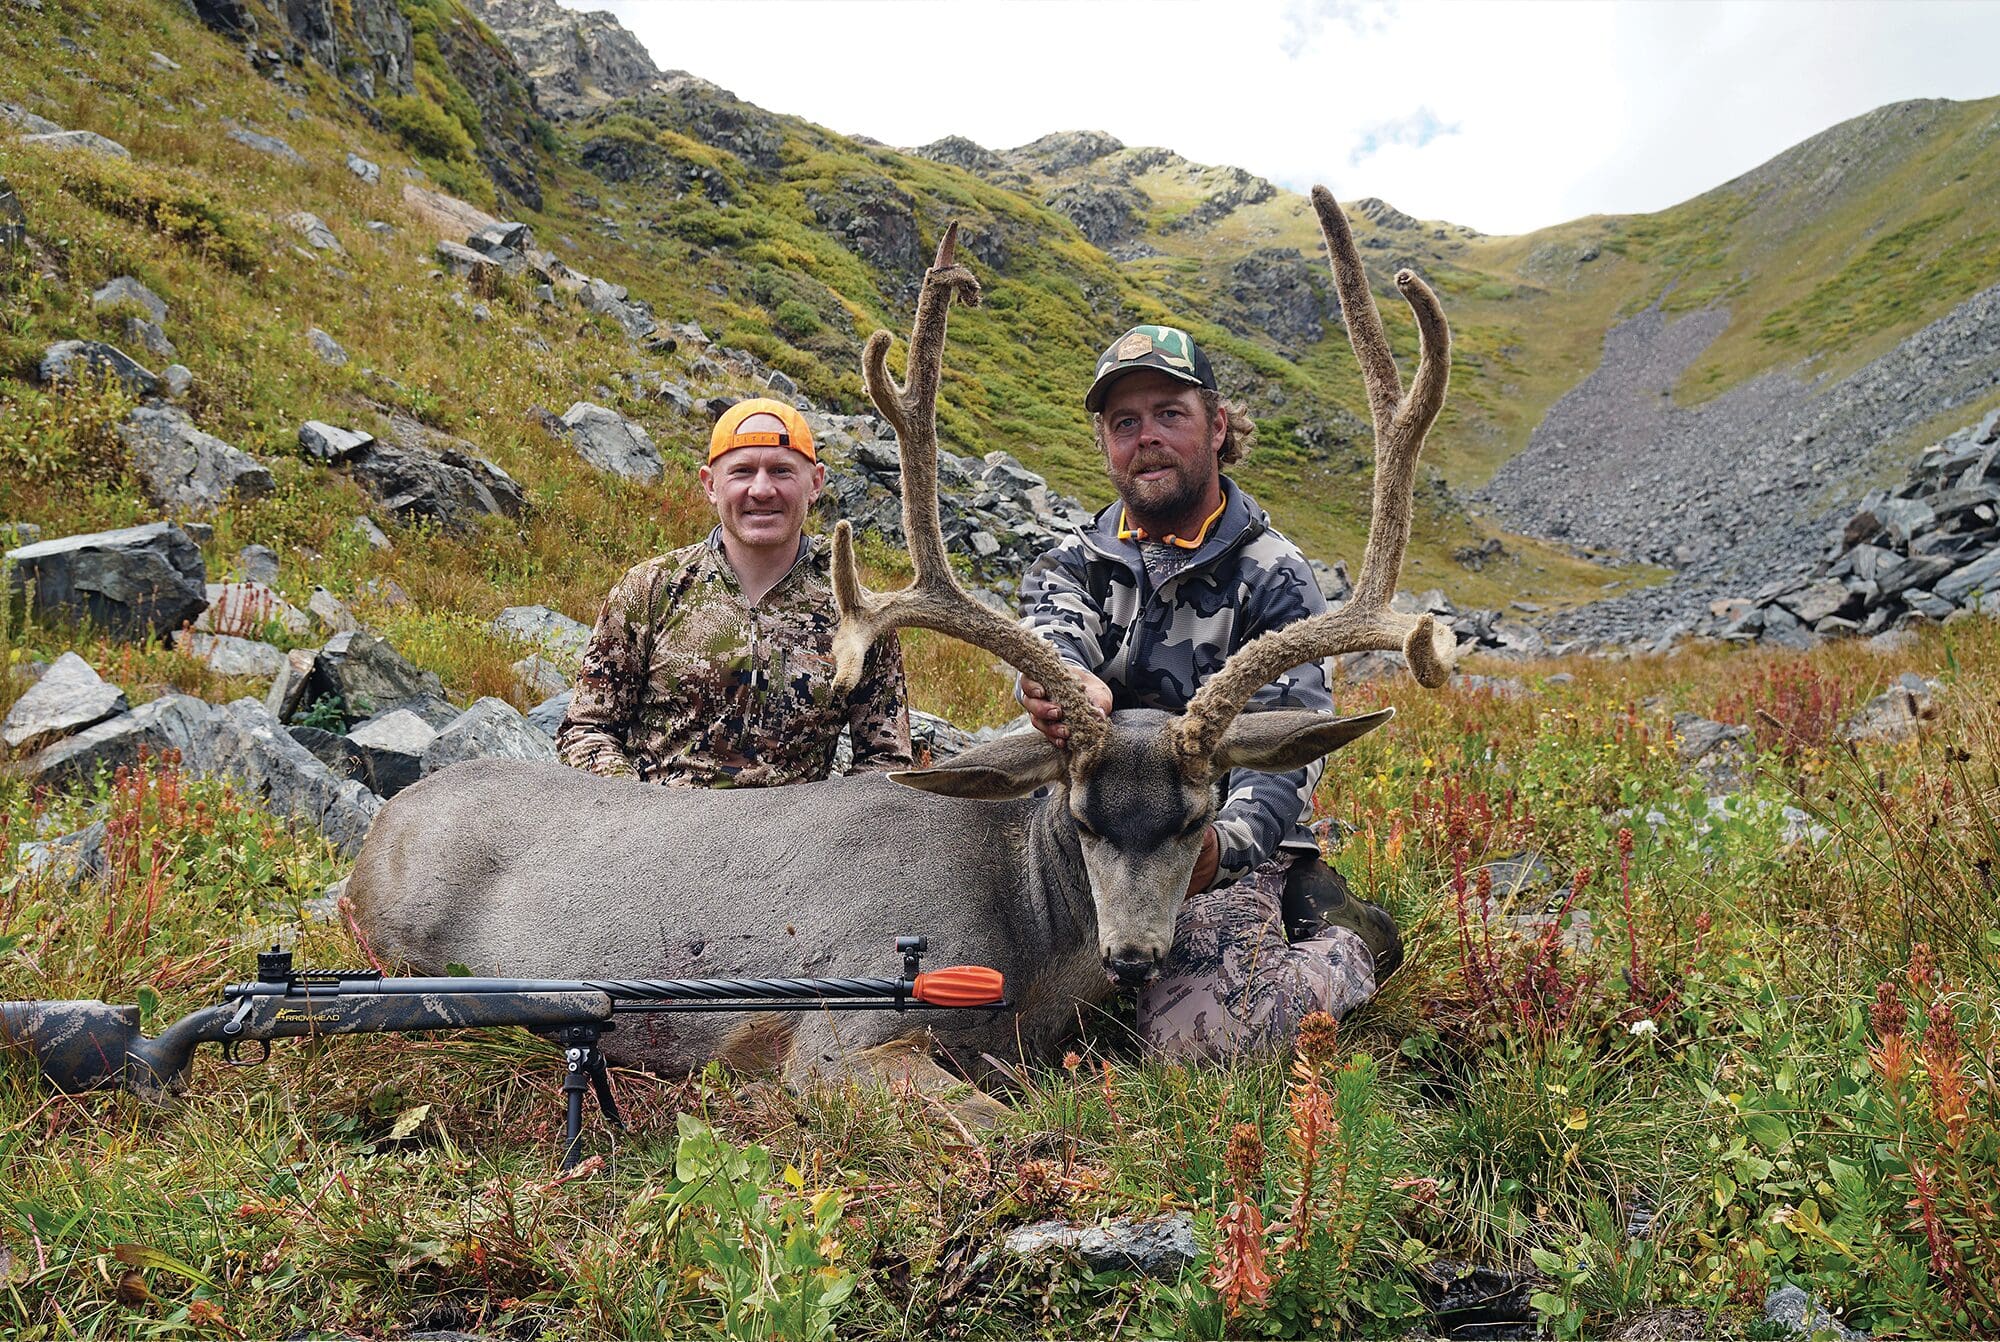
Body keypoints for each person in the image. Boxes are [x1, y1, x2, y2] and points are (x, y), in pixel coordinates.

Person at [1016, 324, 1401, 1062]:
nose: (1146, 438)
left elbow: (1288, 746)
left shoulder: (1274, 575)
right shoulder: (1072, 559)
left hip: (1203, 832)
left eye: (1170, 414)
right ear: (1105, 443)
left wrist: (1224, 848)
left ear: (1218, 427)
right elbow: (1050, 630)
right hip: (1091, 825)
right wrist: (1059, 680)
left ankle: (1346, 940)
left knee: (1204, 1044)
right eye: (1124, 422)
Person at [558, 398, 912, 786]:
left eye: (781, 471)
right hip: (659, 818)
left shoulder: (858, 615)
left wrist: (834, 820)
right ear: (711, 484)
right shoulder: (651, 588)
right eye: (742, 471)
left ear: (815, 483)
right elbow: (587, 731)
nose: (761, 490)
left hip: (795, 826)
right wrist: (633, 804)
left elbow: (886, 761)